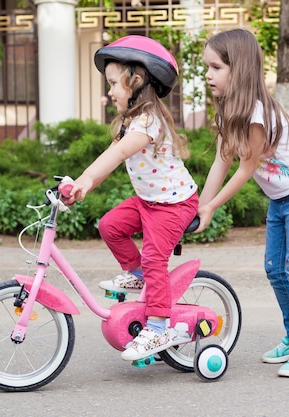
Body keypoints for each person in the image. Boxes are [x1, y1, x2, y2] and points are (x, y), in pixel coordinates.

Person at [194, 29, 289, 378]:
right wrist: (199, 206)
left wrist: (212, 208)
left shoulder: (256, 113)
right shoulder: (228, 113)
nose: (208, 74)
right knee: (275, 269)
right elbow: (220, 162)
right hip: (281, 196)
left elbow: (245, 169)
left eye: (216, 67)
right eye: (206, 67)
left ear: (237, 69)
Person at [59, 36, 198, 361]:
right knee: (110, 225)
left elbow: (120, 152)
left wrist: (87, 180)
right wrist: (84, 181)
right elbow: (112, 153)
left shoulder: (148, 121)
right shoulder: (131, 121)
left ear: (135, 81)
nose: (108, 91)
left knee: (155, 259)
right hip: (149, 202)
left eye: (112, 83)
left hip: (174, 205)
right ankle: (137, 277)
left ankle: (159, 325)